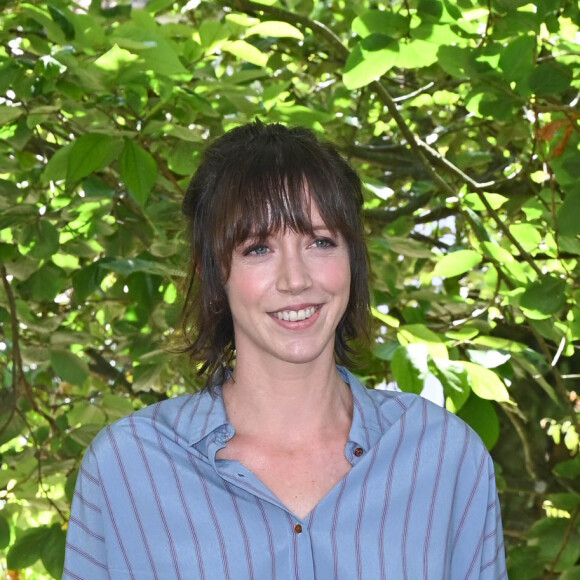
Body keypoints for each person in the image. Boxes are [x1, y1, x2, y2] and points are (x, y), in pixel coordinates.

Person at [63, 121, 507, 579]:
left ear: (352, 259)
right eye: (258, 248)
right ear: (213, 271)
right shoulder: (127, 467)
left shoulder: (444, 456)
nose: (296, 280)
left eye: (320, 241)